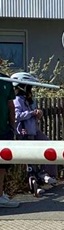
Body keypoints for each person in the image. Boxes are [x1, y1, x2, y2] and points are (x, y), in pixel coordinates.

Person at [12, 72, 57, 196]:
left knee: (48, 147)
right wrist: (31, 113)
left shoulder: (29, 100)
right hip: (24, 132)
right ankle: (34, 182)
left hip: (34, 130)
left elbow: (33, 113)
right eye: (29, 87)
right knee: (31, 158)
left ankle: (45, 173)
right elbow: (16, 116)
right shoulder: (17, 100)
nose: (31, 90)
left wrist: (38, 113)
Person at [0, 60, 18, 208]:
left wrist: (12, 126)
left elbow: (10, 105)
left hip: (3, 129)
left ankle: (0, 194)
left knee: (2, 165)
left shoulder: (5, 80)